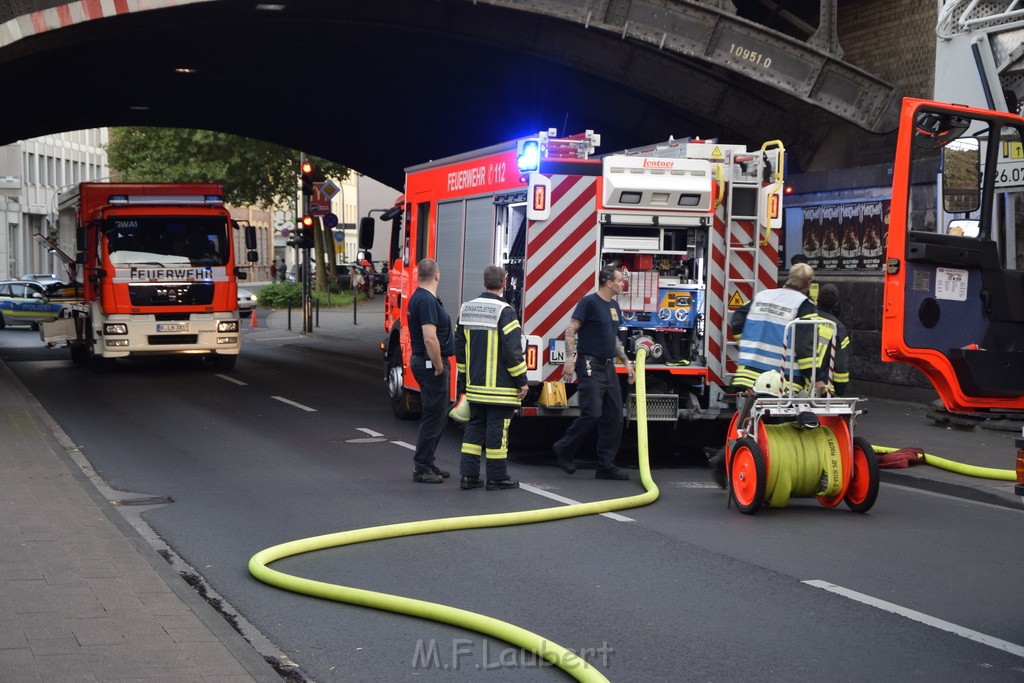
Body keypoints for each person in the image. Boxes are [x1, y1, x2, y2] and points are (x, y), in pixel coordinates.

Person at [708, 263, 827, 487]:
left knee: (747, 427)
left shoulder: (762, 296)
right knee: (779, 434)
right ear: (809, 284)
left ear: (789, 278)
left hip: (746, 377)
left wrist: (748, 343)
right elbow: (805, 347)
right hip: (780, 383)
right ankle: (777, 478)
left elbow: (738, 319)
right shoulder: (804, 306)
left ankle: (723, 461)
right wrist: (818, 379)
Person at [552, 265, 636, 480]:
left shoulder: (614, 306)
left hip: (608, 368)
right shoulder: (589, 302)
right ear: (609, 282)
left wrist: (626, 362)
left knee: (615, 416)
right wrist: (570, 358)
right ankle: (564, 448)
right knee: (592, 413)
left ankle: (605, 466)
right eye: (619, 280)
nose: (622, 283)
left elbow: (613, 337)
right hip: (590, 365)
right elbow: (571, 329)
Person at [454, 265, 528, 491]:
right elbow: (513, 350)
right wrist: (521, 381)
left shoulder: (466, 309)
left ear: (484, 283)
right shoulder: (505, 311)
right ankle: (496, 477)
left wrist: (464, 381)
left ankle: (468, 477)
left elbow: (460, 347)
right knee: (498, 430)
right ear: (504, 284)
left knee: (474, 428)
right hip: (500, 388)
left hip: (475, 387)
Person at [406, 258, 453, 484]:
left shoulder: (422, 298)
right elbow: (429, 337)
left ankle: (427, 461)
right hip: (429, 363)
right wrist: (439, 365)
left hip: (426, 362)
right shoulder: (425, 301)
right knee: (433, 416)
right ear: (437, 275)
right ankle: (422, 467)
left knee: (437, 415)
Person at [815, 283, 851, 396]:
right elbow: (841, 367)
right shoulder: (837, 327)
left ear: (817, 299)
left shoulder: (803, 317)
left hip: (795, 382)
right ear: (835, 304)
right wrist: (839, 394)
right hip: (822, 390)